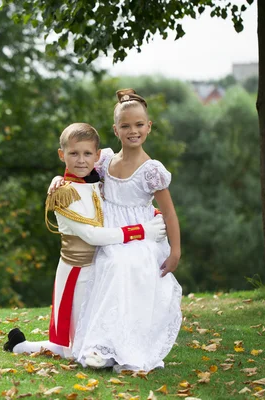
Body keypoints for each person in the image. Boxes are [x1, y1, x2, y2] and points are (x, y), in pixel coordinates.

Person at [3, 122, 167, 359]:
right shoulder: (63, 192)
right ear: (62, 155)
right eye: (74, 153)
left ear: (97, 156)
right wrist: (142, 231)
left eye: (87, 154)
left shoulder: (97, 183)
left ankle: (22, 345)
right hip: (77, 271)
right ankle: (21, 346)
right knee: (74, 346)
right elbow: (92, 235)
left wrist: (150, 213)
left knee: (97, 328)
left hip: (103, 267)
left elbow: (121, 204)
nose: (81, 160)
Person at [69, 89, 182, 372]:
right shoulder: (105, 161)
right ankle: (101, 346)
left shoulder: (151, 170)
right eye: (126, 126)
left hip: (141, 238)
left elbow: (168, 212)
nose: (133, 131)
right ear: (116, 130)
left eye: (139, 125)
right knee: (110, 266)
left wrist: (176, 251)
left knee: (123, 266)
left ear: (149, 126)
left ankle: (128, 350)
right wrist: (58, 182)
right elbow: (76, 170)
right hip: (110, 234)